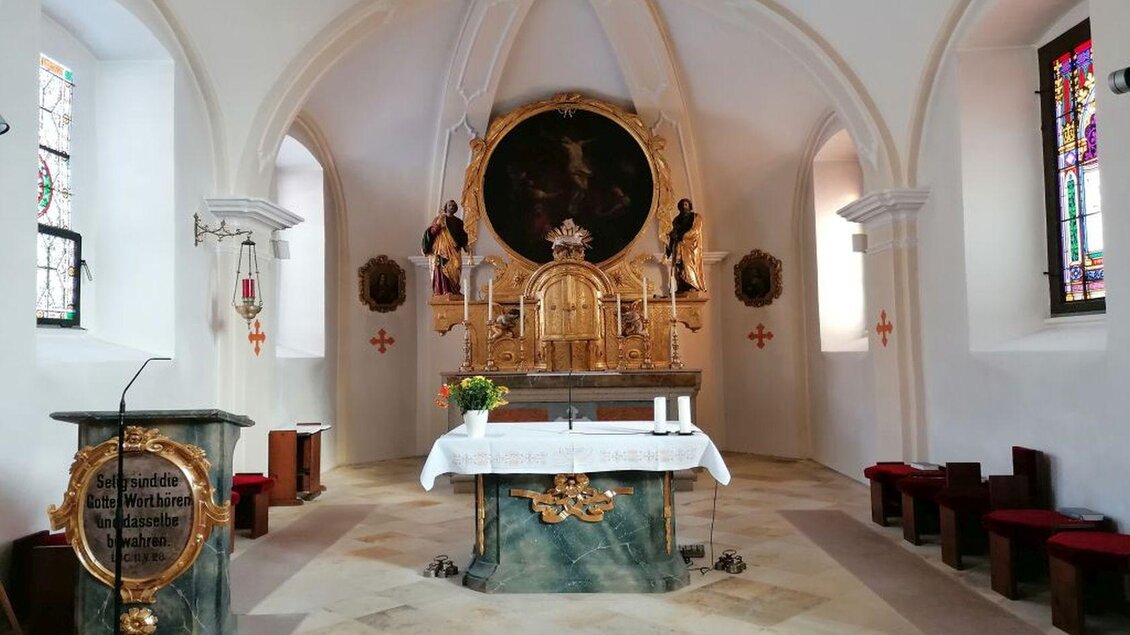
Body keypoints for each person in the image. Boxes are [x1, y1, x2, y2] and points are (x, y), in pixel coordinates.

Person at [421, 200, 469, 296]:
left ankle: (454, 289)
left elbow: (462, 235)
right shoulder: (439, 219)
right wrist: (438, 225)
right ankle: (444, 290)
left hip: (454, 250)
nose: (452, 207)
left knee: (455, 268)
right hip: (441, 248)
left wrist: (465, 245)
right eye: (450, 205)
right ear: (446, 207)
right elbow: (432, 233)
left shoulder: (459, 222)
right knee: (442, 267)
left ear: (456, 208)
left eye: (454, 205)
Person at [665, 198, 706, 293]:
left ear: (690, 206)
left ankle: (693, 285)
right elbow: (672, 233)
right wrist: (671, 238)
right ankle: (681, 286)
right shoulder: (676, 220)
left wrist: (681, 236)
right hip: (678, 247)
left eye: (686, 205)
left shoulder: (696, 217)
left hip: (690, 247)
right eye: (682, 205)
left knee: (689, 265)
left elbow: (695, 231)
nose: (684, 207)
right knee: (679, 266)